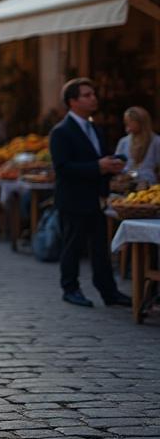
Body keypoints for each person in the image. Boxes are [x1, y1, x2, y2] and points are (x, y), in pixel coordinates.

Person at [50, 78, 131, 309]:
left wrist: (112, 165)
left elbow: (100, 157)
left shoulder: (95, 128)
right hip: (74, 198)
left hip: (96, 197)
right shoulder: (61, 132)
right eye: (87, 95)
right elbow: (63, 168)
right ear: (72, 102)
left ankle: (109, 291)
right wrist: (98, 166)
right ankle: (70, 288)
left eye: (93, 94)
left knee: (100, 248)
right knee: (73, 246)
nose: (93, 98)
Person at [116, 106, 160, 186]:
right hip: (126, 186)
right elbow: (120, 167)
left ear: (141, 122)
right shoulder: (124, 142)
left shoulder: (156, 141)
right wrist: (128, 176)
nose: (127, 124)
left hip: (149, 186)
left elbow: (154, 168)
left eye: (130, 121)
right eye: (126, 121)